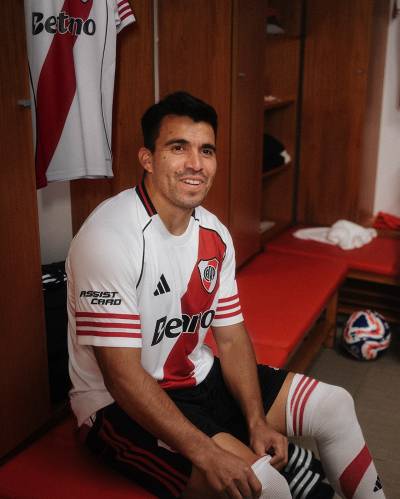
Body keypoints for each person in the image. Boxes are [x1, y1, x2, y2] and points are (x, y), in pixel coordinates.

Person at [67, 92, 385, 499]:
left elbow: (232, 338)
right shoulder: (109, 237)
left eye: (206, 150)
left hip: (196, 377)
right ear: (147, 158)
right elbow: (123, 378)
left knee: (334, 404)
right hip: (116, 406)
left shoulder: (214, 232)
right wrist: (206, 453)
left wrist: (255, 420)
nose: (196, 164)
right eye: (178, 148)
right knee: (265, 486)